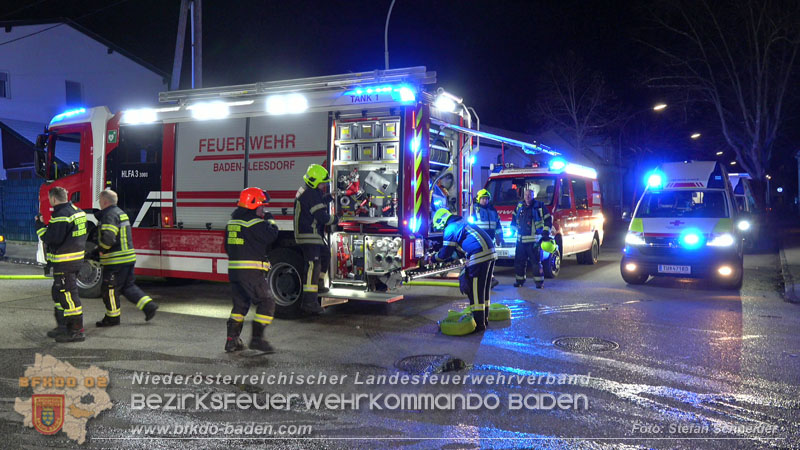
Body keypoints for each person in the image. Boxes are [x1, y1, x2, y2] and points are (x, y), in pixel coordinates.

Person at [224, 188, 279, 353]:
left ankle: (231, 341)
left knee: (240, 307)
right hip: (250, 273)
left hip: (235, 272)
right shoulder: (255, 223)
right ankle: (257, 339)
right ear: (253, 205)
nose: (263, 209)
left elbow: (227, 247)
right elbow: (272, 235)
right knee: (267, 302)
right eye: (262, 205)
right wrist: (271, 220)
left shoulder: (232, 223)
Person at [93, 189, 158, 327]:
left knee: (109, 289)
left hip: (115, 261)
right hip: (127, 258)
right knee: (127, 287)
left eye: (100, 200)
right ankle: (149, 306)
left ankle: (112, 318)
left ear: (104, 201)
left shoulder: (109, 215)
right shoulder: (121, 213)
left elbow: (109, 237)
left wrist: (101, 250)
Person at [35, 186, 87, 342]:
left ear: (53, 198)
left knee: (68, 296)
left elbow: (52, 239)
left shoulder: (61, 216)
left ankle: (76, 330)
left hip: (65, 263)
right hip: (75, 260)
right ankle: (63, 326)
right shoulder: (78, 211)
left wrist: (39, 227)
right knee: (58, 293)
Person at [431, 208, 497, 332]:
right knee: (484, 289)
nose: (441, 230)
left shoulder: (450, 228)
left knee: (475, 292)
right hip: (490, 254)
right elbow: (459, 251)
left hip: (479, 255)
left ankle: (478, 324)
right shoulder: (462, 223)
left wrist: (432, 258)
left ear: (441, 221)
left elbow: (445, 253)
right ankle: (485, 319)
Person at [294, 164, 337, 315]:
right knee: (313, 266)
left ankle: (319, 284)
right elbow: (322, 217)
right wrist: (337, 219)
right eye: (322, 182)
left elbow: (317, 203)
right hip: (308, 235)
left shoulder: (309, 191)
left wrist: (330, 197)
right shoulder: (310, 194)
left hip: (312, 235)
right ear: (314, 181)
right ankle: (309, 302)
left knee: (326, 254)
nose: (323, 185)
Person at [511, 186, 552, 288]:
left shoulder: (539, 206)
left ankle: (539, 283)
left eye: (530, 195)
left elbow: (548, 219)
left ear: (534, 196)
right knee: (519, 262)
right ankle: (519, 281)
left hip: (534, 241)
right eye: (526, 195)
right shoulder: (520, 206)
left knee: (535, 263)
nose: (528, 197)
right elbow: (514, 218)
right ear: (523, 196)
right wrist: (513, 229)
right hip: (520, 241)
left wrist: (546, 231)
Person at [471, 189, 504, 287]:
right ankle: (487, 279)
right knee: (481, 260)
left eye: (486, 199)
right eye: (483, 199)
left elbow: (498, 225)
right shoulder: (474, 210)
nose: (485, 201)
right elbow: (470, 225)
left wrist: (499, 237)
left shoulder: (493, 210)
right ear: (478, 199)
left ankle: (488, 279)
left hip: (490, 239)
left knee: (490, 260)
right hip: (479, 240)